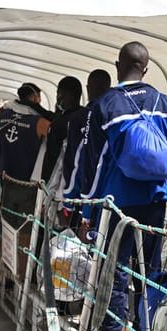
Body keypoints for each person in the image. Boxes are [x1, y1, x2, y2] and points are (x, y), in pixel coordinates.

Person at [81, 42, 167, 331]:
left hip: (117, 204)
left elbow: (92, 163)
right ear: (146, 68)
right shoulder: (164, 102)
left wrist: (85, 211)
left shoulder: (105, 104)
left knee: (115, 273)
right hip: (155, 202)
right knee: (149, 273)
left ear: (118, 65)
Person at [0, 82, 50, 278]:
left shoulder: (3, 115)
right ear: (36, 98)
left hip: (7, 183)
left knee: (8, 231)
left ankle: (6, 276)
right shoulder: (41, 122)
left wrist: (7, 151)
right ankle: (22, 279)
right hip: (30, 186)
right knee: (27, 234)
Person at [60, 70, 111, 226]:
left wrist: (68, 202)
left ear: (88, 88)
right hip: (111, 197)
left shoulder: (79, 118)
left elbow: (75, 162)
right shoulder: (114, 114)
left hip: (85, 199)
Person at [41, 76, 85, 183]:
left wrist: (44, 179)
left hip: (59, 180)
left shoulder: (62, 122)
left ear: (67, 95)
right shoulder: (85, 115)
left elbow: (52, 154)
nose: (57, 97)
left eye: (58, 93)